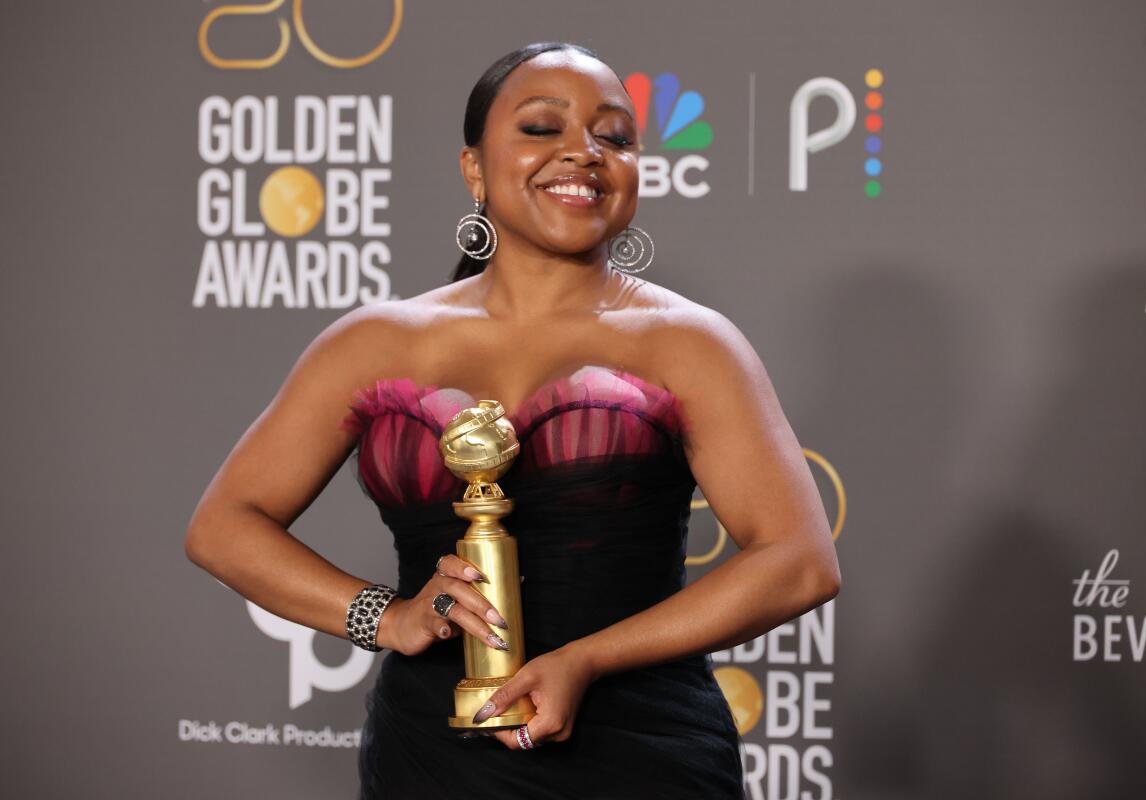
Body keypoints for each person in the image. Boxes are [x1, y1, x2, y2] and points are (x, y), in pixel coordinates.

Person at [185, 41, 840, 799]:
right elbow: (225, 524)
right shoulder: (376, 342)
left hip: (641, 754)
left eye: (615, 136)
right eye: (541, 128)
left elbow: (798, 561)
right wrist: (386, 617)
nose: (583, 153)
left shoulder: (688, 343)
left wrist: (588, 659)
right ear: (474, 170)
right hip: (431, 752)